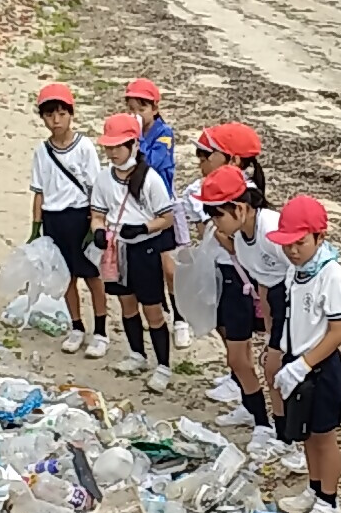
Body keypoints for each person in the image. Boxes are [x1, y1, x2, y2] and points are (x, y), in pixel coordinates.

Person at [267, 195, 341, 513]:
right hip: (296, 360)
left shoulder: (331, 275)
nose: (293, 251)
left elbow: (338, 332)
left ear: (319, 238)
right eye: (287, 244)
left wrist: (304, 364)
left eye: (300, 243)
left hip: (320, 365)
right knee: (305, 433)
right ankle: (314, 487)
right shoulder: (295, 270)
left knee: (324, 436)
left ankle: (329, 502)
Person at [193, 166, 294, 463]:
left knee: (275, 368)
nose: (214, 223)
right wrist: (272, 323)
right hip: (274, 297)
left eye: (218, 215)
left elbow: (301, 269)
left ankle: (286, 436)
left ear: (239, 208)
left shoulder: (271, 230)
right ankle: (273, 428)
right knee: (268, 364)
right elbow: (263, 278)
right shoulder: (240, 238)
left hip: (295, 298)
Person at [89, 114, 177, 393]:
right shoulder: (104, 178)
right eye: (109, 147)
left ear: (132, 145)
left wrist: (143, 228)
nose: (113, 153)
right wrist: (99, 231)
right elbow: (97, 213)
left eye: (118, 147)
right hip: (117, 248)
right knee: (127, 305)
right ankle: (137, 354)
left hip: (144, 248)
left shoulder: (150, 179)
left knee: (152, 309)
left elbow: (167, 217)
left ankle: (163, 365)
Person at [27, 83, 107, 358]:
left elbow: (97, 188)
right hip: (54, 218)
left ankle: (101, 331)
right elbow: (38, 191)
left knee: (92, 276)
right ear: (43, 118)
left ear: (71, 114)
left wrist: (97, 222)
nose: (56, 120)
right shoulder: (42, 151)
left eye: (61, 113)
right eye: (50, 115)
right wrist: (36, 229)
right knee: (66, 278)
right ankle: (76, 326)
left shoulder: (84, 147)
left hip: (81, 216)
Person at [125, 78, 190, 351]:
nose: (137, 114)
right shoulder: (128, 134)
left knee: (169, 268)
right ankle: (156, 313)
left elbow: (153, 162)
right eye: (132, 108)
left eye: (142, 107)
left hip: (163, 207)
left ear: (154, 107)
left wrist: (137, 138)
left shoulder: (164, 133)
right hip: (139, 208)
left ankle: (181, 318)